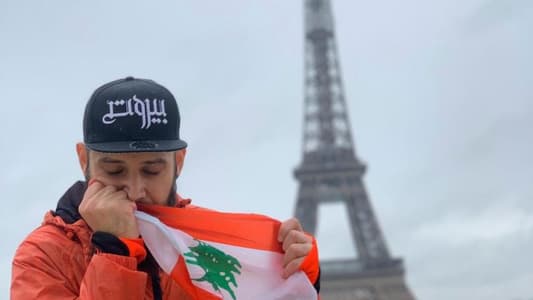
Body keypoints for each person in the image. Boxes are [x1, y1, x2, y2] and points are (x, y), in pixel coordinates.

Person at [11, 77, 320, 299]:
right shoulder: (43, 255)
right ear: (83, 160)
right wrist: (115, 253)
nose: (134, 190)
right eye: (114, 170)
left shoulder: (208, 241)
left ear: (179, 162)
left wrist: (295, 276)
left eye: (152, 170)